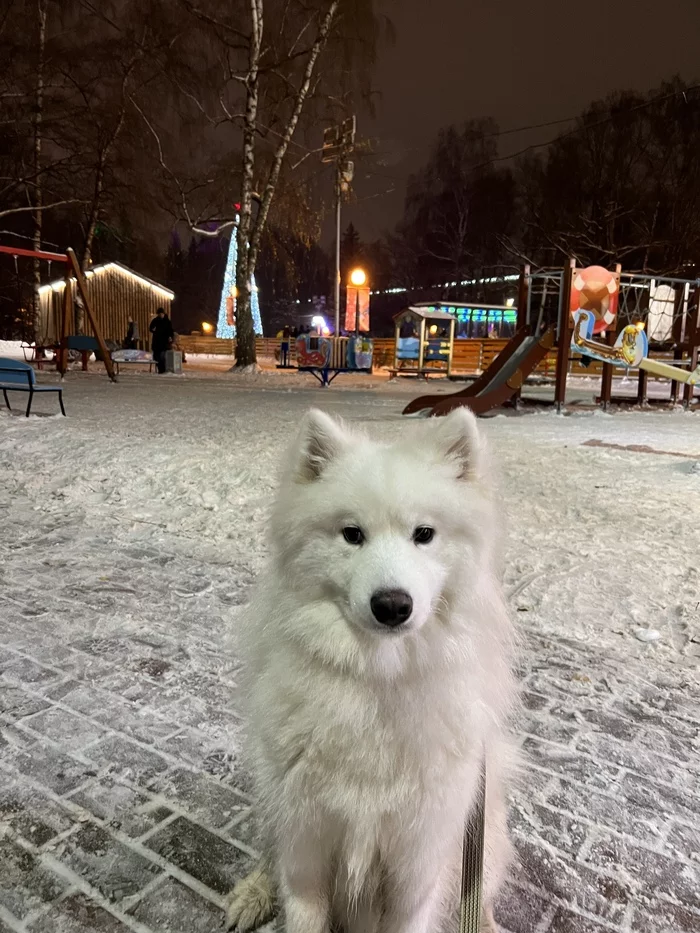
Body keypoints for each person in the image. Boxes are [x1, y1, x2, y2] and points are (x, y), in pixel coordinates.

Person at [149, 307, 174, 374]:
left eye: (161, 314)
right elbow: (151, 328)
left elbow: (170, 331)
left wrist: (170, 337)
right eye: (159, 314)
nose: (160, 315)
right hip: (156, 342)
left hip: (164, 342)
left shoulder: (167, 321)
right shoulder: (155, 320)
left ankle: (162, 370)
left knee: (162, 356)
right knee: (156, 357)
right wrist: (154, 330)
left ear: (163, 313)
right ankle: (160, 369)